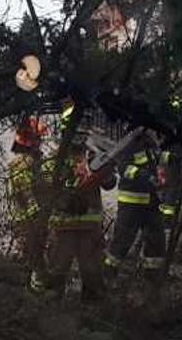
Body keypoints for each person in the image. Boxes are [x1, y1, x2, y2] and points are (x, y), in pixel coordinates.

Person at [40, 141, 109, 299]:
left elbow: (109, 183)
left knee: (91, 273)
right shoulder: (55, 161)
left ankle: (90, 314)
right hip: (66, 229)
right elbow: (45, 187)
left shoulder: (94, 159)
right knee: (57, 270)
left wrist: (102, 166)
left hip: (86, 229)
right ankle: (50, 312)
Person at [105, 137, 168, 271]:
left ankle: (152, 274)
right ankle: (109, 272)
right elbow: (124, 169)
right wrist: (145, 176)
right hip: (131, 203)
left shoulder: (149, 144)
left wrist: (173, 158)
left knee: (156, 239)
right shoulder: (129, 145)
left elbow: (156, 157)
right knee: (123, 240)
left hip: (151, 202)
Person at [6, 118, 46, 267]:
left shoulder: (31, 161)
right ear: (31, 140)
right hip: (27, 218)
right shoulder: (23, 162)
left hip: (29, 216)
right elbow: (23, 188)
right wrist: (36, 211)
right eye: (38, 138)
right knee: (28, 255)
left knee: (35, 255)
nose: (40, 142)